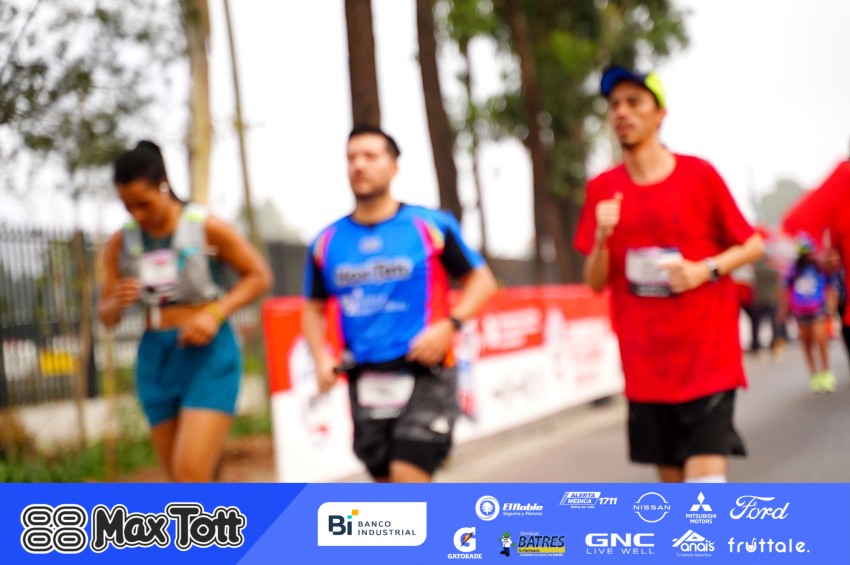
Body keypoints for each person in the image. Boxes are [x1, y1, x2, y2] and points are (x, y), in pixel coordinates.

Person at [574, 66, 764, 483]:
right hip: (647, 371)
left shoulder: (699, 175)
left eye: (634, 102)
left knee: (703, 495)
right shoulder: (602, 190)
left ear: (660, 114)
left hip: (708, 362)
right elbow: (594, 282)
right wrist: (602, 238)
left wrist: (704, 270)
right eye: (614, 105)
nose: (622, 112)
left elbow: (753, 245)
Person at [302, 125, 497, 483]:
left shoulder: (430, 226)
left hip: (426, 371)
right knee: (387, 486)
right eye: (351, 157)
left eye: (370, 156)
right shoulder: (326, 241)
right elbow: (313, 309)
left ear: (394, 167)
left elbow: (482, 282)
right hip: (364, 376)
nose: (359, 165)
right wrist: (320, 357)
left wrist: (449, 326)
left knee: (407, 481)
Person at [97, 141, 273, 482]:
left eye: (144, 203)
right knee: (180, 481)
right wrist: (115, 302)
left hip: (209, 356)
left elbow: (259, 276)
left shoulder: (206, 226)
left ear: (163, 185)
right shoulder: (120, 243)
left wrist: (215, 313)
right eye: (128, 206)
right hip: (156, 359)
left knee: (189, 476)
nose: (137, 215)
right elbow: (106, 317)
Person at [779, 236, 837, 393]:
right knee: (806, 344)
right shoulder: (793, 269)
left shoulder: (820, 267)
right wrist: (784, 310)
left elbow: (831, 284)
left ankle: (826, 373)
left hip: (817, 309)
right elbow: (785, 289)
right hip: (800, 311)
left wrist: (831, 304)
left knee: (821, 339)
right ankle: (815, 376)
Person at [744, 256, 782, 355]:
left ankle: (756, 346)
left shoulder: (755, 270)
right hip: (771, 299)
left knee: (756, 325)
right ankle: (774, 345)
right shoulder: (772, 270)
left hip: (758, 300)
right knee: (774, 324)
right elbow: (779, 284)